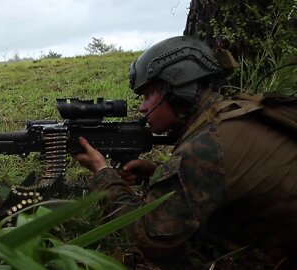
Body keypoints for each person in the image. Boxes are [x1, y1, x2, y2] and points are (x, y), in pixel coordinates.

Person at [74, 36, 297, 266]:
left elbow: (148, 237)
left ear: (176, 90)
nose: (142, 107)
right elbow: (216, 179)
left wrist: (102, 173)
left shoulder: (205, 145)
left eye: (148, 95)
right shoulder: (229, 113)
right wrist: (158, 173)